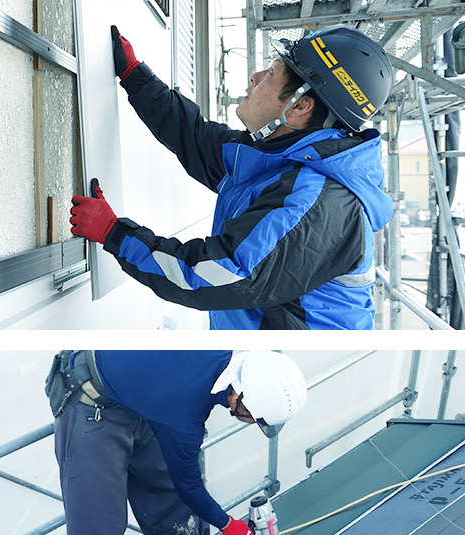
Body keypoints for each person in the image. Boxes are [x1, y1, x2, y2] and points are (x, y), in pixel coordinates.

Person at [69, 26, 394, 329]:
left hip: (291, 371)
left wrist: (115, 234)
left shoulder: (319, 203)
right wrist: (135, 76)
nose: (254, 78)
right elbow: (194, 137)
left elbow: (218, 274)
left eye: (270, 74)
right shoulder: (276, 156)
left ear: (299, 106)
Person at [48, 350, 299, 535]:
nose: (253, 422)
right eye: (255, 417)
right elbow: (189, 487)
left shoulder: (222, 357)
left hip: (145, 396)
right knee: (96, 509)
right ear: (238, 397)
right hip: (91, 402)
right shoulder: (184, 413)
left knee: (162, 476)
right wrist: (228, 525)